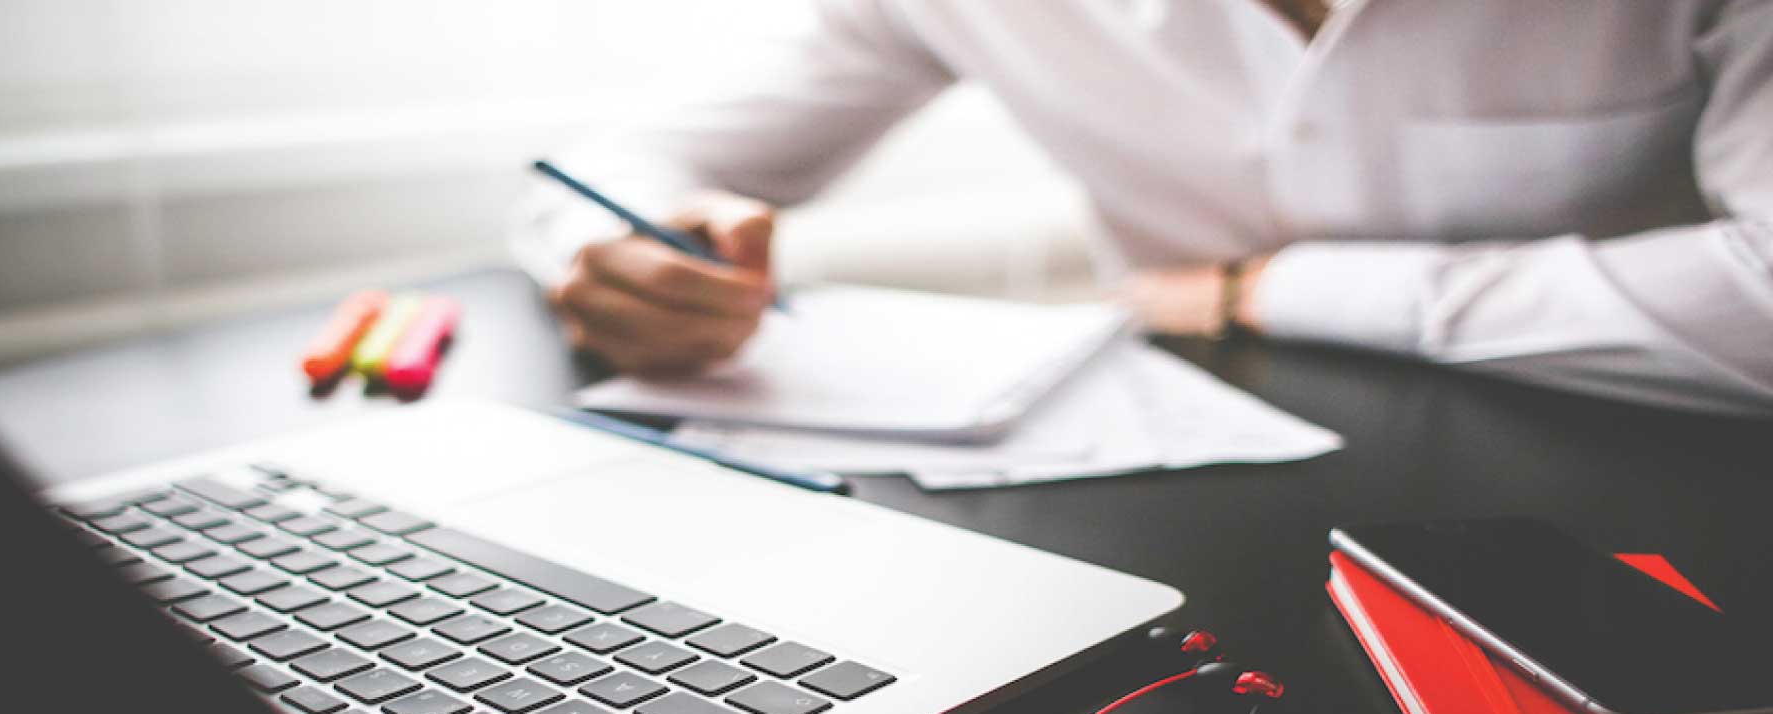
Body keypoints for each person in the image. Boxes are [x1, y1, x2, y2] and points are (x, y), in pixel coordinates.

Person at [514, 0, 1773, 413]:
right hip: (1195, 472)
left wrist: (1263, 289)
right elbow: (629, 163)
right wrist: (616, 253)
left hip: (1641, 476)